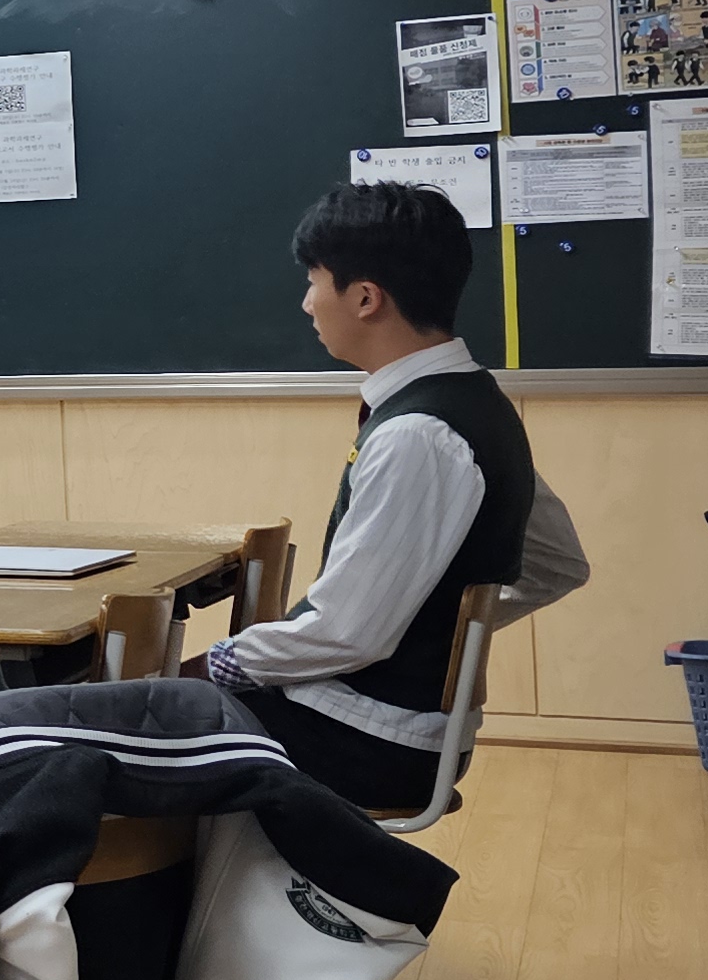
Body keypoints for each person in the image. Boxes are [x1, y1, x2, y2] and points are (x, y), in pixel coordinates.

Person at [197, 183, 586, 810]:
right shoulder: (475, 402)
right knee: (123, 718)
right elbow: (559, 565)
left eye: (314, 281)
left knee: (92, 730)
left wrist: (215, 664)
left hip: (362, 738)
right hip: (389, 728)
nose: (307, 303)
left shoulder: (417, 434)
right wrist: (436, 626)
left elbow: (347, 636)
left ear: (365, 298)